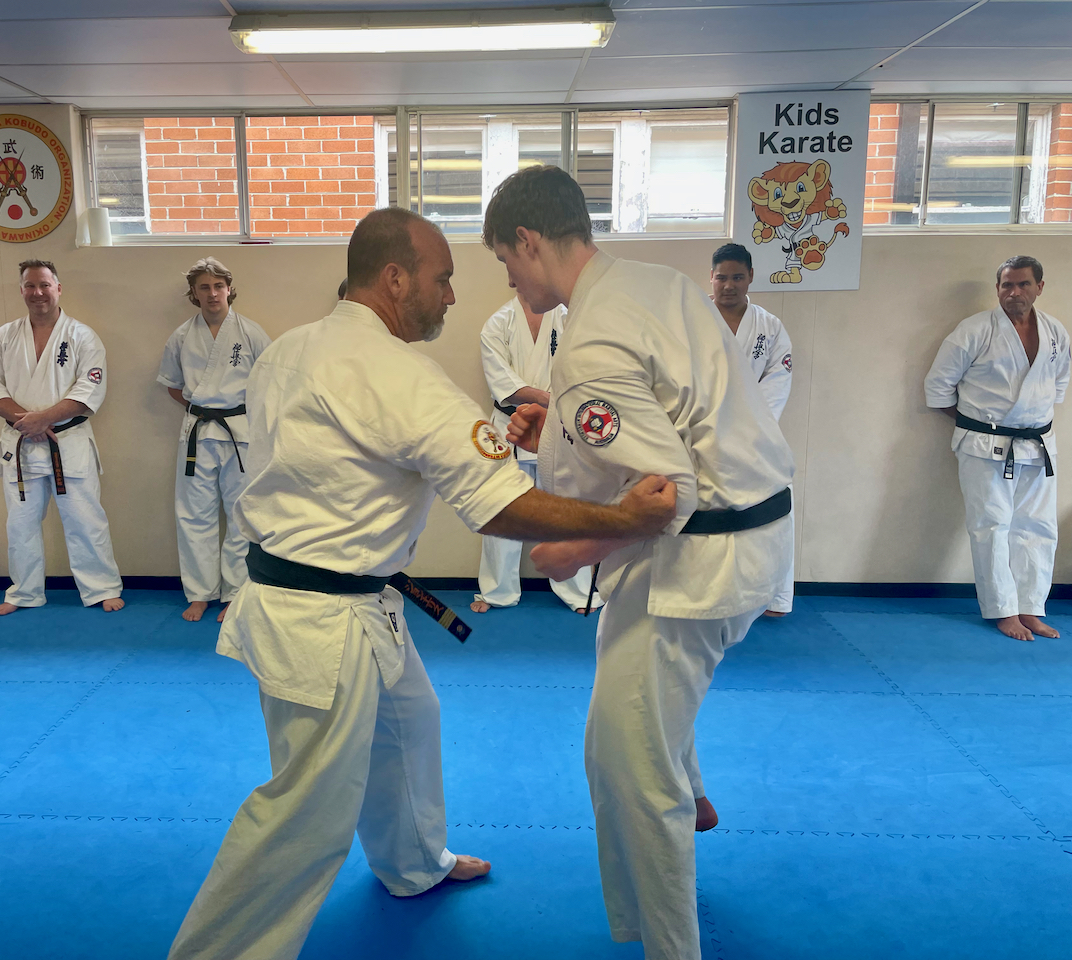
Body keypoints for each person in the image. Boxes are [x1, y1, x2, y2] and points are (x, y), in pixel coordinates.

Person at [167, 207, 679, 960]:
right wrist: (623, 517)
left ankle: (412, 864)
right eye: (443, 279)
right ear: (395, 278)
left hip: (325, 596)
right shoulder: (397, 372)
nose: (450, 295)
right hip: (324, 622)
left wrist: (502, 442)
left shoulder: (291, 349)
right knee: (304, 812)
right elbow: (500, 505)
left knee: (410, 720)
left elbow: (360, 452)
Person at [485, 166, 794, 960]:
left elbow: (666, 493)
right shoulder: (655, 283)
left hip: (698, 562)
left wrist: (562, 550)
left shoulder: (590, 340)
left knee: (626, 762)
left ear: (527, 240)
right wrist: (561, 426)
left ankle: (670, 945)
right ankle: (694, 790)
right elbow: (673, 412)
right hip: (753, 533)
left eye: (505, 260)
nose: (509, 279)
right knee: (631, 686)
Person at [925, 255, 1069, 642]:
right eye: (1007, 285)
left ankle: (1031, 607)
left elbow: (1057, 385)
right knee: (991, 526)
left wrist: (1026, 423)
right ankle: (1003, 610)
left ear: (1039, 287)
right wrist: (977, 425)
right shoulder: (974, 330)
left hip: (1038, 444)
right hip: (984, 446)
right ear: (998, 289)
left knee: (1039, 527)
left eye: (1023, 284)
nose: (1014, 292)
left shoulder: (1055, 332)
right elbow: (938, 388)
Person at [0, 260, 124, 615]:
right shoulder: (3, 337)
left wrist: (44, 419)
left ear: (58, 288)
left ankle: (101, 587)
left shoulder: (82, 336)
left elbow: (90, 389)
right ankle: (24, 592)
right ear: (22, 291)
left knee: (85, 520)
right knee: (21, 524)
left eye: (44, 285)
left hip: (68, 441)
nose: (38, 292)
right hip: (21, 443)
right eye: (30, 286)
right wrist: (28, 422)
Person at [471, 293, 599, 614]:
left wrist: (558, 404)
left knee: (563, 508)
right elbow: (503, 384)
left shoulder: (568, 317)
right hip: (508, 425)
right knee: (502, 508)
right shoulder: (498, 324)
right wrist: (547, 398)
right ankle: (497, 591)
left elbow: (582, 367)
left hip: (556, 424)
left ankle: (577, 591)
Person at [159, 258, 271, 622]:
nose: (212, 294)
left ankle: (235, 593)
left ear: (229, 289)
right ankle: (200, 593)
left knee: (240, 513)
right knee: (194, 514)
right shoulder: (180, 336)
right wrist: (203, 410)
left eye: (218, 286)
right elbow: (173, 386)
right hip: (197, 432)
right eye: (204, 287)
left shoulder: (251, 333)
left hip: (240, 433)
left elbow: (269, 384)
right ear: (193, 293)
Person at [710, 242, 794, 616]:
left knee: (774, 510)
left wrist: (747, 426)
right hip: (703, 432)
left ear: (751, 277)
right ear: (711, 278)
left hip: (757, 434)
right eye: (721, 278)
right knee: (709, 519)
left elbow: (778, 380)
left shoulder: (769, 326)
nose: (729, 285)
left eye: (737, 277)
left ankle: (776, 596)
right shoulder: (691, 319)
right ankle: (715, 594)